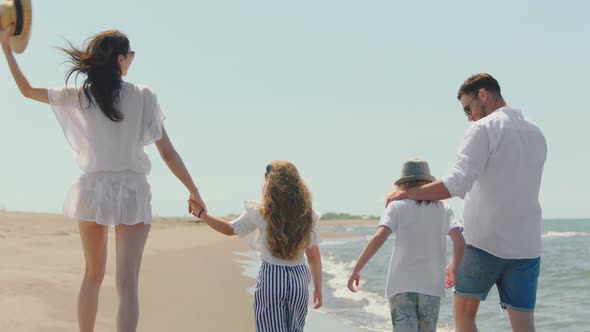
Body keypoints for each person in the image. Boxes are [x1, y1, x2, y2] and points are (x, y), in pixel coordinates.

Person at [1, 26, 206, 332]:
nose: (132, 60)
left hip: (94, 189)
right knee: (127, 284)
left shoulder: (83, 96)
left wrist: (6, 48)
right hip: (133, 190)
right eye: (130, 55)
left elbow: (27, 91)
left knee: (92, 275)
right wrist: (194, 191)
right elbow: (167, 154)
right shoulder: (144, 96)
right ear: (122, 58)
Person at [386, 74, 547, 332]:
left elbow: (456, 183)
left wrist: (408, 193)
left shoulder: (483, 129)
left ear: (482, 94)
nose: (470, 117)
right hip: (527, 245)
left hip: (484, 242)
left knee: (464, 314)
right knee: (524, 323)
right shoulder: (536, 132)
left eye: (468, 109)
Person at [190, 161, 322, 332]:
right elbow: (313, 256)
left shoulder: (263, 212)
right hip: (299, 280)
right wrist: (318, 288)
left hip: (272, 277)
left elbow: (230, 229)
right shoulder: (307, 215)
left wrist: (202, 214)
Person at [348, 159, 465, 332]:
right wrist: (454, 267)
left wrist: (356, 269)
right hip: (431, 286)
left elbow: (378, 238)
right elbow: (460, 241)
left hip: (401, 285)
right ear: (428, 183)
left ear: (403, 184)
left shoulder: (396, 206)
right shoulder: (443, 209)